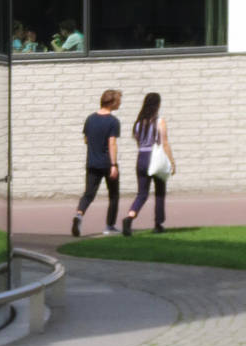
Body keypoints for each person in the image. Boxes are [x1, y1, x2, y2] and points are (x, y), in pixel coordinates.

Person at [70, 88, 122, 236]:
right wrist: (114, 165)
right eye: (118, 101)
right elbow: (112, 143)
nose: (119, 104)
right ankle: (110, 226)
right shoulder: (113, 122)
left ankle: (79, 214)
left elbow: (86, 139)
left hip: (92, 162)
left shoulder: (90, 119)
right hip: (106, 163)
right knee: (113, 195)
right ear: (111, 103)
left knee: (88, 194)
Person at [122, 91, 175, 234]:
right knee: (159, 193)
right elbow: (164, 143)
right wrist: (172, 162)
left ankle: (130, 216)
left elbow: (139, 142)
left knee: (142, 193)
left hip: (141, 157)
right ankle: (158, 224)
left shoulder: (139, 123)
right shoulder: (159, 121)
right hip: (155, 158)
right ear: (157, 105)